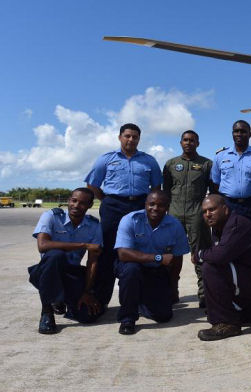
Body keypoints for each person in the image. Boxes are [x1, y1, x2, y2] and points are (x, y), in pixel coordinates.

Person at [85, 123, 162, 308]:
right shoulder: (106, 159)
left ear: (139, 139)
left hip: (139, 205)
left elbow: (156, 187)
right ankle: (101, 300)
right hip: (113, 206)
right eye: (127, 136)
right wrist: (106, 200)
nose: (131, 140)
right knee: (108, 252)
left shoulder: (149, 161)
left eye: (135, 137)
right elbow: (92, 184)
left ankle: (142, 300)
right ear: (120, 137)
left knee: (141, 248)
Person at [195, 194, 251, 341]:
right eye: (205, 211)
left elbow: (220, 255)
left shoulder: (236, 224)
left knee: (210, 268)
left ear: (225, 209)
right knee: (216, 306)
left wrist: (199, 254)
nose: (208, 214)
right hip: (248, 275)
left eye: (212, 209)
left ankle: (227, 323)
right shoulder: (218, 227)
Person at [113, 191, 189, 335]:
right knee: (131, 271)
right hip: (130, 265)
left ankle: (141, 300)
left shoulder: (175, 225)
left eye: (160, 205)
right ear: (145, 205)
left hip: (155, 271)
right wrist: (158, 258)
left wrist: (174, 287)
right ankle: (128, 318)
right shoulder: (130, 220)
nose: (155, 208)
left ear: (167, 207)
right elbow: (123, 254)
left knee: (163, 316)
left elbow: (177, 259)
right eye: (151, 204)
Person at [28, 188, 103, 334]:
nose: (76, 205)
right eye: (73, 201)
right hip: (46, 272)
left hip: (71, 273)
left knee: (89, 316)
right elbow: (42, 246)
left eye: (82, 203)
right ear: (68, 201)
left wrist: (87, 292)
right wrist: (83, 245)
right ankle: (47, 311)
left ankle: (64, 300)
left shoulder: (94, 226)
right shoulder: (52, 216)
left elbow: (92, 262)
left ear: (89, 205)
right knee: (56, 255)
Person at [163, 129, 213, 307]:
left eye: (192, 140)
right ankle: (170, 291)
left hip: (197, 213)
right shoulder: (170, 164)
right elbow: (166, 190)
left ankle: (204, 293)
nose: (188, 143)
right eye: (185, 140)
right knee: (171, 254)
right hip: (174, 213)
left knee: (200, 254)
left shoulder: (206, 164)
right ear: (180, 142)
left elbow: (213, 191)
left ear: (198, 143)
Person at [210, 120, 251, 231]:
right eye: (236, 131)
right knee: (226, 241)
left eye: (243, 131)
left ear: (250, 134)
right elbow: (215, 183)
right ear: (232, 133)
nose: (239, 134)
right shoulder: (220, 156)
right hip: (228, 205)